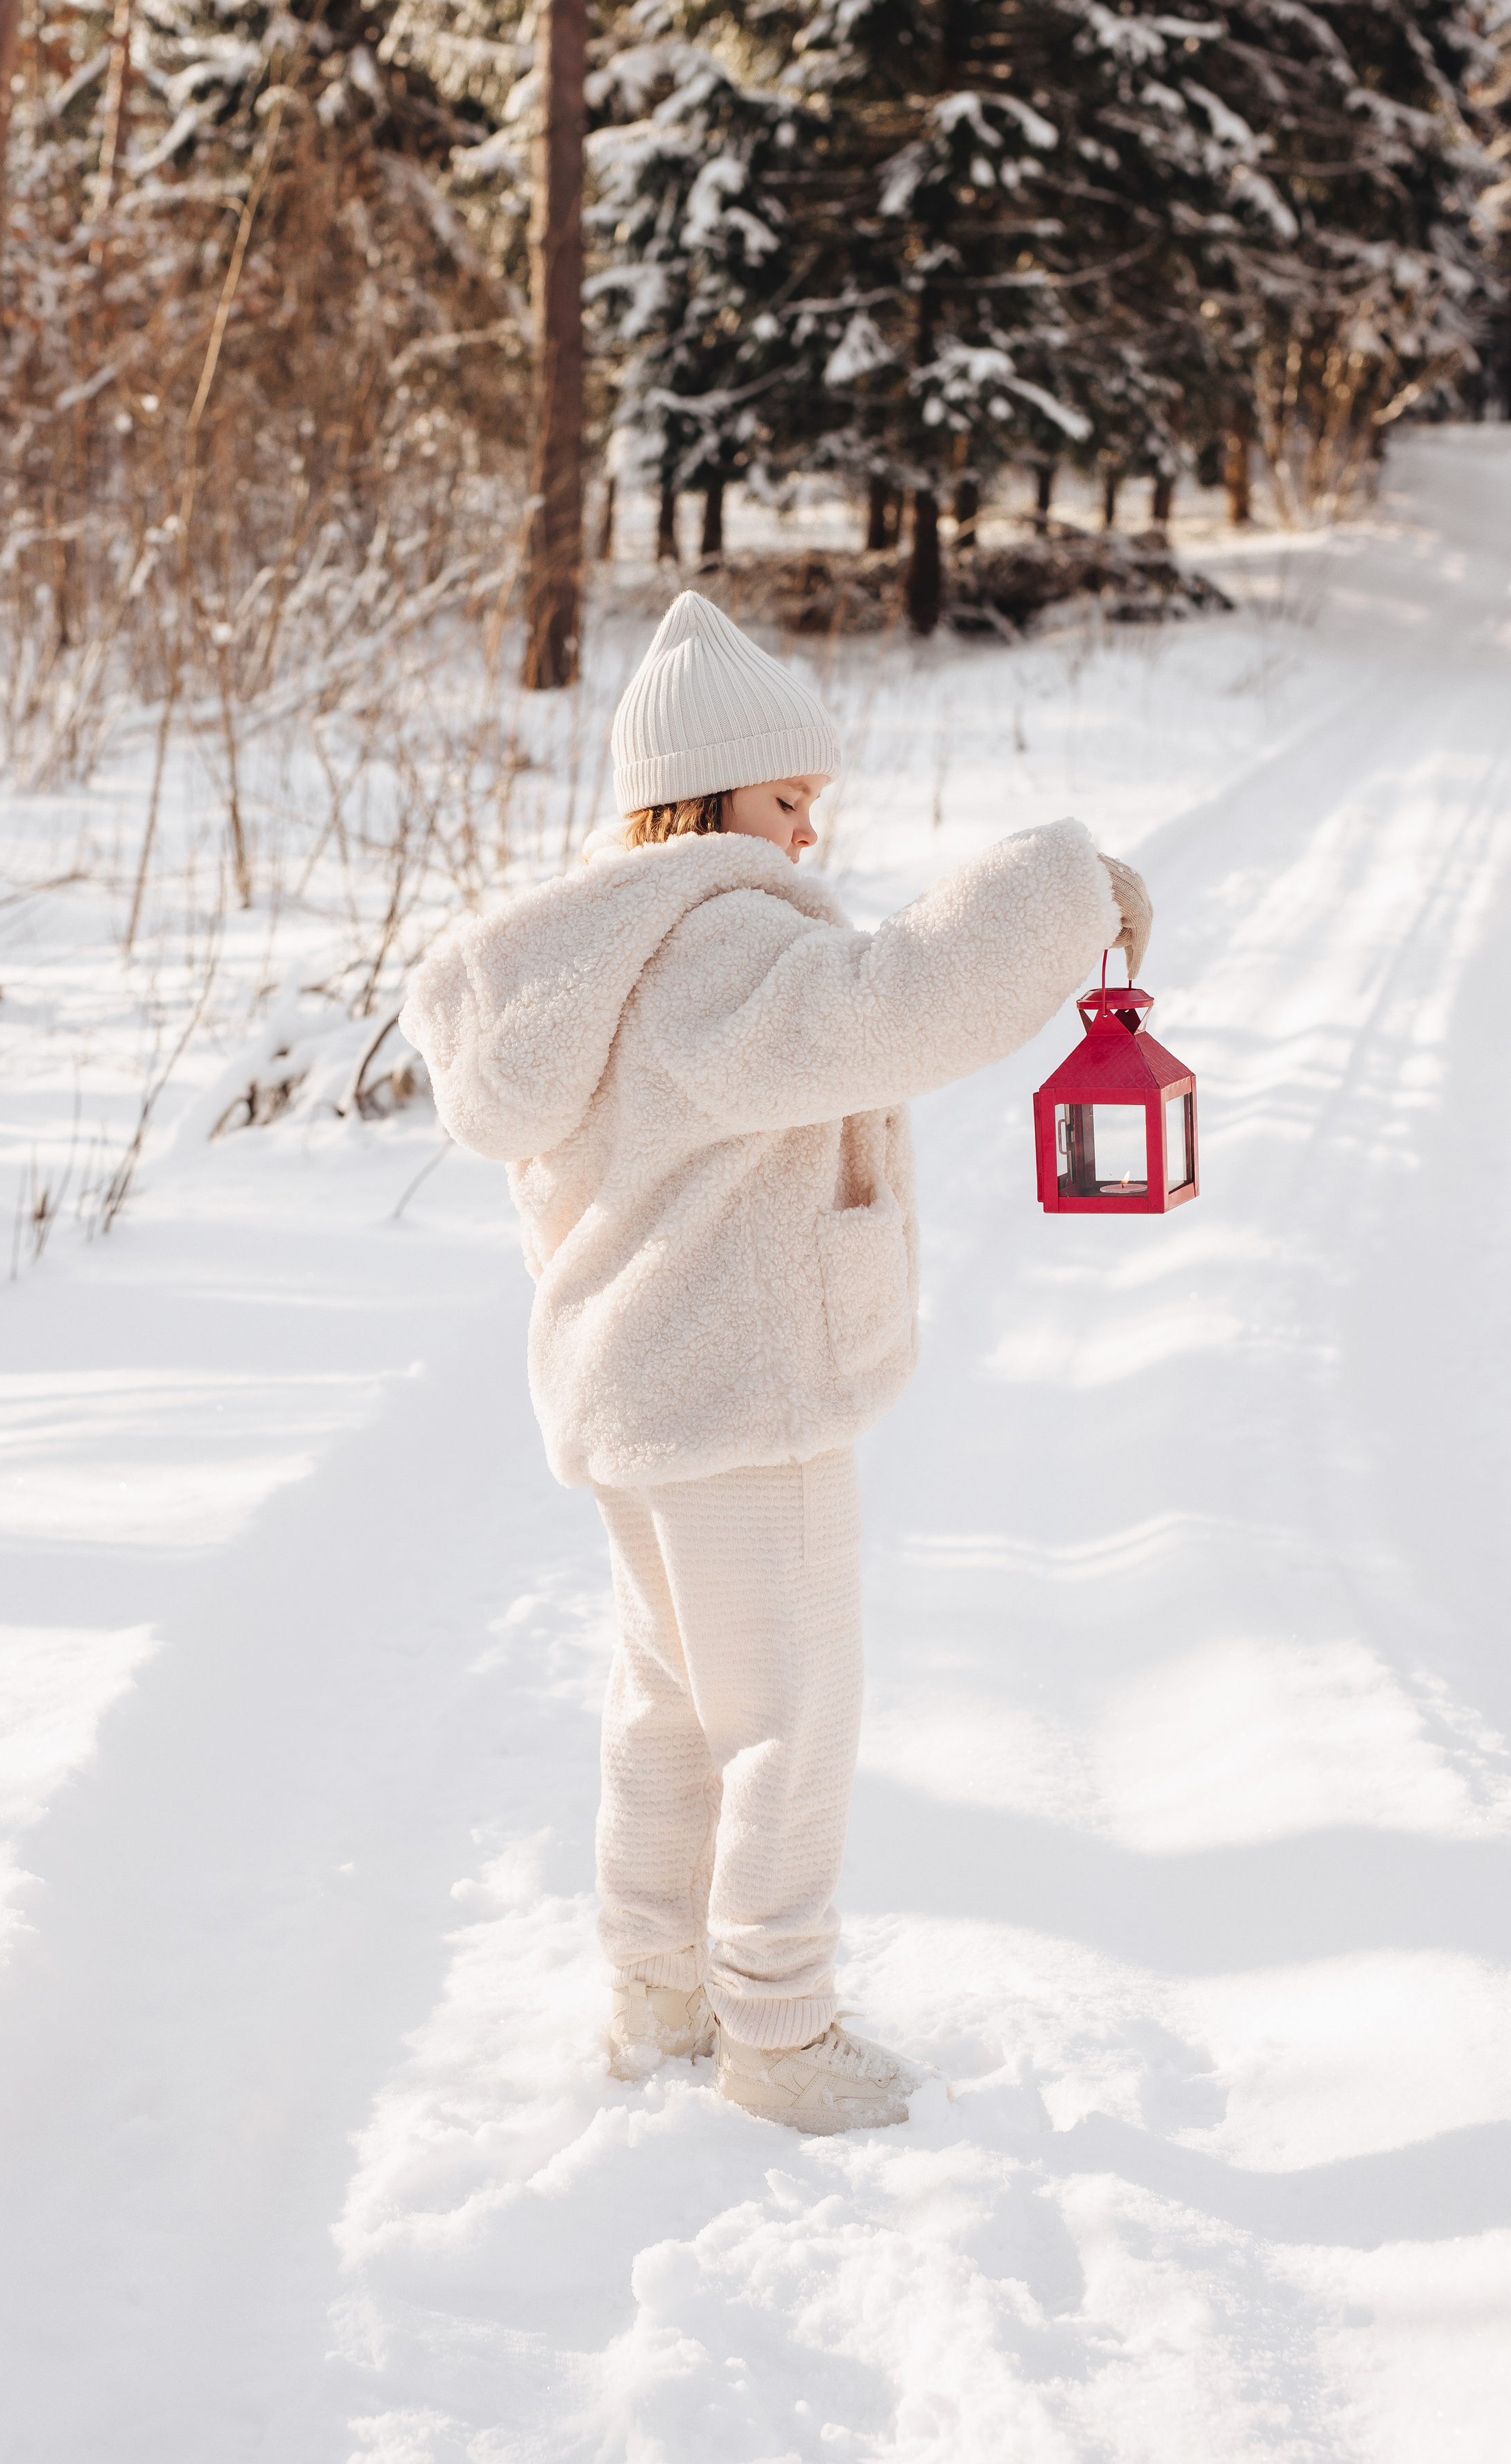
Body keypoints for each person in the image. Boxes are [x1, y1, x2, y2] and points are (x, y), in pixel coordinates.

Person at [401, 590, 1150, 2137]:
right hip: (743, 1393)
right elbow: (889, 1007)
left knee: (671, 1709)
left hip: (636, 1391)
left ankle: (659, 1989)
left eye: (814, 807)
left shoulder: (595, 961)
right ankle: (777, 2032)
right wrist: (1066, 887)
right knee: (789, 1720)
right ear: (699, 800)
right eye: (786, 801)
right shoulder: (714, 946)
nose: (807, 835)